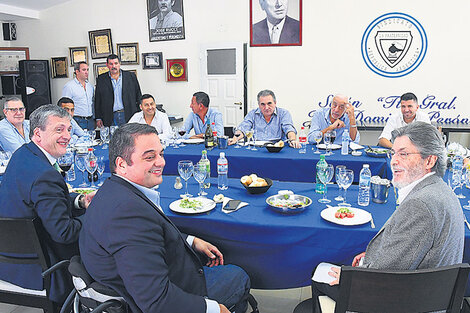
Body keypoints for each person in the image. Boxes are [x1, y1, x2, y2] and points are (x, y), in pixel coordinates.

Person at [79, 123, 251, 313]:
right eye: (150, 157)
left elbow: (147, 237)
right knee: (238, 276)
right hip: (171, 292)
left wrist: (191, 240)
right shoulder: (128, 214)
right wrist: (213, 309)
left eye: (161, 154)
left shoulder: (112, 190)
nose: (161, 162)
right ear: (121, 164)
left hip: (147, 280)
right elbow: (156, 301)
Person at [310, 121, 464, 312]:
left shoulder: (421, 205)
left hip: (403, 302)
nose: (393, 161)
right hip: (426, 296)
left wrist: (354, 275)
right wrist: (372, 257)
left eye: (404, 154)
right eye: (394, 153)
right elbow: (411, 252)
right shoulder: (441, 189)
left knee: (319, 273)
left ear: (430, 161)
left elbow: (382, 276)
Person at [0, 104, 95, 303]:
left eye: (69, 129)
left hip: (8, 259)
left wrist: (79, 201)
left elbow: (41, 202)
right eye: (58, 130)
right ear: (38, 133)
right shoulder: (45, 174)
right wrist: (96, 213)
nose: (67, 136)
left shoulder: (23, 154)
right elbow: (64, 233)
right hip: (39, 269)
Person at [229, 89, 301, 148]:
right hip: (257, 148)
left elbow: (289, 128)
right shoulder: (252, 114)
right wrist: (235, 139)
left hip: (277, 147)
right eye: (263, 104)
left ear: (275, 103)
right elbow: (243, 128)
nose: (266, 107)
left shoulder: (284, 113)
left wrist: (293, 140)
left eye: (269, 103)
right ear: (259, 105)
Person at [95, 54, 142, 127]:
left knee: (128, 137)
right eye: (111, 64)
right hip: (109, 116)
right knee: (112, 138)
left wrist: (140, 114)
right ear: (107, 65)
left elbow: (138, 95)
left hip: (128, 114)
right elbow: (98, 100)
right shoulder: (101, 79)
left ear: (120, 64)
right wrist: (98, 117)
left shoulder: (131, 76)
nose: (114, 66)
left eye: (116, 63)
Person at [62, 61, 95, 130]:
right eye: (84, 70)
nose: (86, 72)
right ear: (77, 71)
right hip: (77, 121)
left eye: (87, 70)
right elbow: (64, 106)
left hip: (90, 120)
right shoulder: (69, 86)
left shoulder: (90, 86)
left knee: (91, 140)